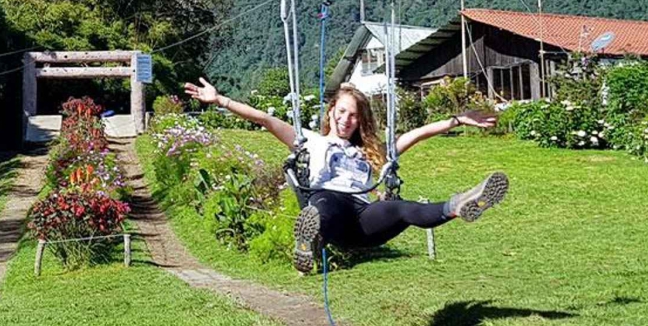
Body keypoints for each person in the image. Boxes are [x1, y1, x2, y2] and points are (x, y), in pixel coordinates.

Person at [182, 78, 507, 274]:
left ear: (360, 119)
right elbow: (265, 119)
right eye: (341, 112)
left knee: (403, 208)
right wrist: (219, 100)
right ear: (331, 113)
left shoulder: (373, 151)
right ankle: (307, 240)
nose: (346, 120)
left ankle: (461, 204)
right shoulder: (312, 141)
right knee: (323, 202)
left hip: (364, 222)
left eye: (353, 115)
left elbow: (417, 135)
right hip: (331, 216)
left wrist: (458, 120)